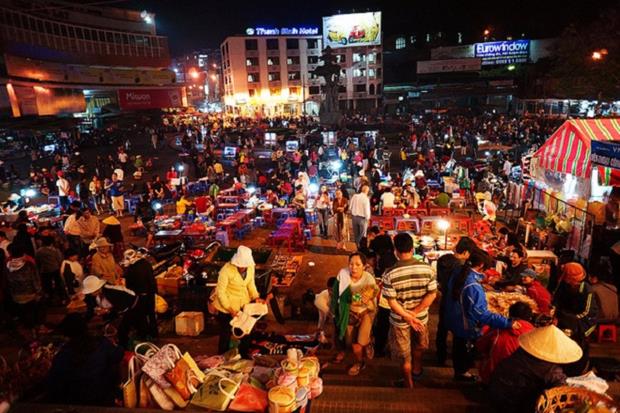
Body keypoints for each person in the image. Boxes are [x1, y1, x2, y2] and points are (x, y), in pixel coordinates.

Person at [445, 250, 515, 381]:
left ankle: (460, 372)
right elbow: (482, 314)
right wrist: (507, 322)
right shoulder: (472, 286)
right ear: (481, 265)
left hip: (455, 319)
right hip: (465, 324)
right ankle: (463, 375)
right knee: (464, 351)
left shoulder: (459, 272)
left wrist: (480, 279)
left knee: (458, 347)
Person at [382, 233, 437, 388]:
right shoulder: (428, 269)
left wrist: (407, 315)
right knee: (419, 346)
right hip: (421, 318)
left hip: (400, 321)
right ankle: (417, 371)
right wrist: (415, 313)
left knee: (405, 356)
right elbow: (432, 294)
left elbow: (392, 303)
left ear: (395, 251)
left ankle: (408, 383)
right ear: (412, 249)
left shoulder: (389, 274)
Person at [488, 325, 583, 413]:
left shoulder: (522, 350)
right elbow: (562, 391)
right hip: (515, 405)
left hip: (495, 393)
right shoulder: (549, 369)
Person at [46, 313, 124, 406]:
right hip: (102, 396)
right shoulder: (100, 342)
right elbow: (119, 354)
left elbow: (53, 384)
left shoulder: (63, 354)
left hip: (76, 401)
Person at [331, 253, 378, 376]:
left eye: (358, 264)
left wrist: (357, 298)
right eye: (351, 264)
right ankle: (361, 359)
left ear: (364, 266)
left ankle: (361, 356)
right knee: (351, 343)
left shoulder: (368, 279)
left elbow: (369, 297)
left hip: (365, 313)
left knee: (359, 343)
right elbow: (336, 293)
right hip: (348, 314)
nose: (354, 267)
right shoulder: (343, 274)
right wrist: (334, 311)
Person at [435, 236, 480, 365]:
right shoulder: (461, 268)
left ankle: (440, 357)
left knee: (442, 330)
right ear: (465, 253)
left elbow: (440, 280)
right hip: (457, 303)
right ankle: (459, 363)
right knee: (458, 334)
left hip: (445, 300)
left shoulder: (443, 260)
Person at [212, 245, 261, 354]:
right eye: (241, 265)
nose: (243, 267)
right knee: (226, 334)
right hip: (226, 307)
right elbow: (220, 292)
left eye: (245, 265)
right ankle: (221, 357)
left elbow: (250, 284)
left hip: (243, 304)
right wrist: (229, 309)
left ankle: (243, 354)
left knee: (245, 331)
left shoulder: (250, 267)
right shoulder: (226, 270)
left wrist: (255, 297)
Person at [553, 262, 598, 376]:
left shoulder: (587, 290)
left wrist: (568, 319)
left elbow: (587, 312)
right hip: (566, 316)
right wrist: (554, 312)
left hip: (583, 320)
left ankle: (577, 367)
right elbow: (557, 300)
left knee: (576, 341)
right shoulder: (564, 285)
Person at [476, 301, 535, 384]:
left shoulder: (498, 329)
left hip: (493, 378)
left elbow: (480, 346)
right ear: (529, 318)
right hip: (522, 382)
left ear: (510, 315)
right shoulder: (535, 334)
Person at [81, 275, 141, 348]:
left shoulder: (111, 291)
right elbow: (90, 309)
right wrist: (84, 322)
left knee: (122, 330)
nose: (90, 294)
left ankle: (124, 347)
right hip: (117, 310)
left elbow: (121, 308)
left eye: (91, 291)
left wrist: (107, 313)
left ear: (98, 288)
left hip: (131, 306)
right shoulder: (92, 296)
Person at [6, 243, 46, 335]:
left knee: (25, 312)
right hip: (30, 294)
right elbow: (35, 280)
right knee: (35, 310)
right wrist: (39, 292)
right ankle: (37, 328)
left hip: (16, 295)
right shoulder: (28, 264)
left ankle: (30, 329)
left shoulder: (8, 265)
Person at [121, 249, 158, 339]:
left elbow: (128, 285)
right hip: (150, 293)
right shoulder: (146, 264)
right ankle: (154, 333)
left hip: (139, 296)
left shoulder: (131, 268)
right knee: (151, 314)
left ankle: (143, 334)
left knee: (141, 316)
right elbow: (152, 279)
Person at [35, 236, 65, 302]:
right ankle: (61, 297)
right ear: (51, 243)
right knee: (58, 283)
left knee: (47, 285)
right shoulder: (55, 250)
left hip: (44, 270)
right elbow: (60, 259)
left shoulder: (39, 251)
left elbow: (37, 261)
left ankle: (50, 298)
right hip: (55, 269)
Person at [314, 277, 336, 343]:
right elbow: (326, 316)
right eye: (330, 290)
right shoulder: (321, 298)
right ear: (327, 288)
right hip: (323, 307)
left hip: (332, 309)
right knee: (322, 320)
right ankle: (319, 338)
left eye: (333, 290)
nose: (331, 292)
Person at [349, 184, 371, 249]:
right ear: (367, 191)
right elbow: (367, 210)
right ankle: (361, 248)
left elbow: (350, 207)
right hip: (362, 219)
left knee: (356, 234)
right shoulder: (366, 199)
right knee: (362, 235)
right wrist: (368, 218)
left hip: (354, 217)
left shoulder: (355, 196)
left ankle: (357, 247)